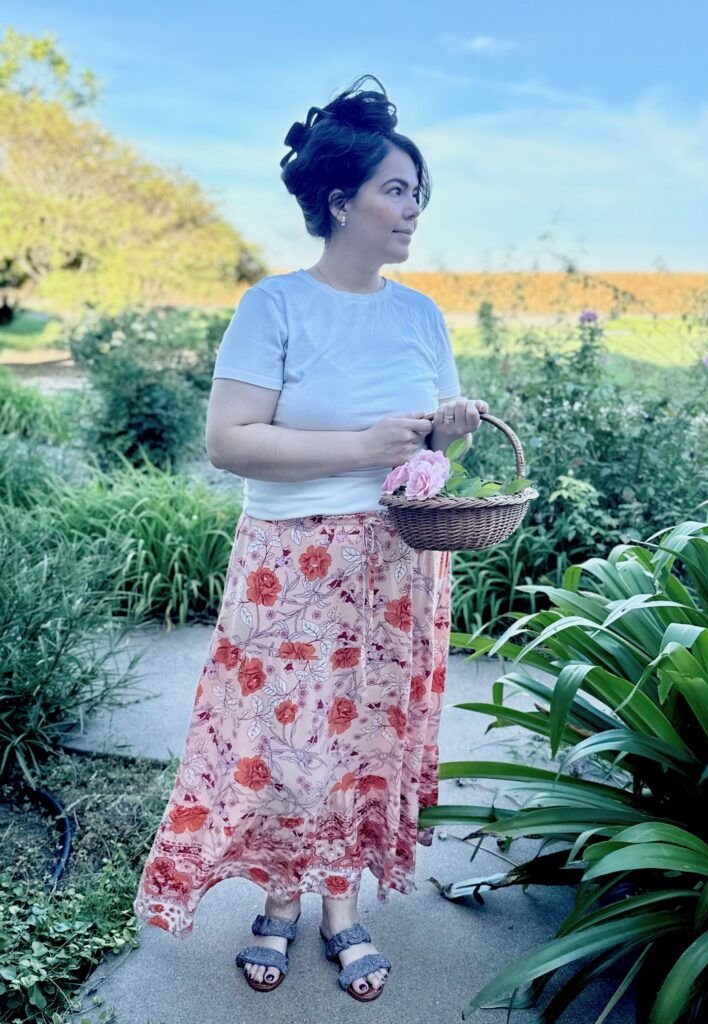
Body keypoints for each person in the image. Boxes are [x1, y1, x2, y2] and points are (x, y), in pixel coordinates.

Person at [133, 73, 488, 1002]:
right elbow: (231, 443)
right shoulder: (275, 307)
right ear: (340, 201)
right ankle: (281, 899)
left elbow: (424, 459)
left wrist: (446, 433)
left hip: (399, 560)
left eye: (419, 193)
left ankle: (341, 902)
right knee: (284, 739)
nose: (412, 210)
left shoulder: (421, 315)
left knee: (368, 734)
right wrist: (359, 446)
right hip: (293, 563)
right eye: (395, 190)